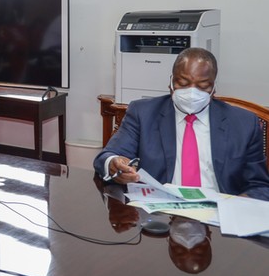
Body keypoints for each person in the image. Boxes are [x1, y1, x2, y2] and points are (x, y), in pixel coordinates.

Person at [93, 47, 269, 200]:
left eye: (202, 86)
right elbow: (108, 156)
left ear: (214, 88)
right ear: (170, 83)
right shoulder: (143, 113)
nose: (192, 92)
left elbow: (259, 185)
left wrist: (237, 206)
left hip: (219, 216)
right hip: (161, 213)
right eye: (183, 83)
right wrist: (114, 163)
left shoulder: (244, 123)